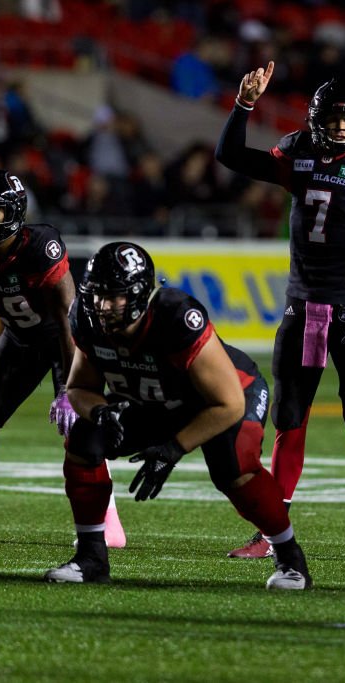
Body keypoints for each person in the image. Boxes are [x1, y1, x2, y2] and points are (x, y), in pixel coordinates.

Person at [215, 62, 345, 561]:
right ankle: (271, 531)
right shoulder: (297, 152)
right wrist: (244, 104)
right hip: (301, 309)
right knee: (289, 419)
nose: (341, 127)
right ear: (316, 119)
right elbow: (229, 155)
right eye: (333, 117)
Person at [44, 242, 311, 589]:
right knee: (83, 438)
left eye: (114, 297)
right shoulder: (86, 318)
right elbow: (79, 386)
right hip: (155, 400)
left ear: (140, 294)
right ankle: (91, 558)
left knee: (233, 469)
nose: (102, 306)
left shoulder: (175, 317)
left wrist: (172, 450)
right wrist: (101, 412)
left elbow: (228, 403)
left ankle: (291, 560)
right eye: (96, 295)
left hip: (223, 397)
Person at [0, 170, 125, 546]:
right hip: (20, 338)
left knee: (81, 429)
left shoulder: (40, 247)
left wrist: (71, 388)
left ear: (16, 212)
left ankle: (108, 523)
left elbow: (69, 319)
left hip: (69, 341)